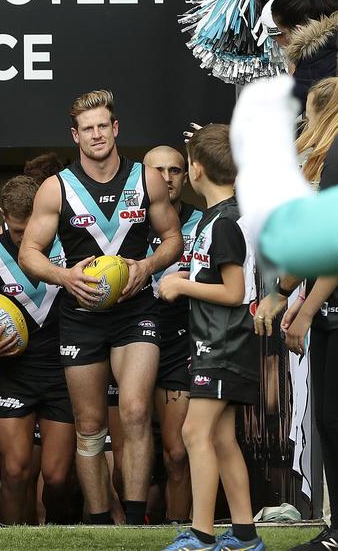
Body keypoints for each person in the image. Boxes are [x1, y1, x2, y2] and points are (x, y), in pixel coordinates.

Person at [19, 89, 183, 526]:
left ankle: (132, 520)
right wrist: (65, 277)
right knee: (90, 425)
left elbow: (173, 239)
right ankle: (97, 520)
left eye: (102, 126)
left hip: (136, 310)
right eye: (86, 128)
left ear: (115, 129)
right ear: (76, 135)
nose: (95, 135)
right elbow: (29, 254)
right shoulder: (57, 189)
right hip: (81, 314)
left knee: (133, 410)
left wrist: (147, 265)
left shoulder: (146, 179)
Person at [158, 124, 261, 551]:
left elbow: (234, 292)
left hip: (223, 343)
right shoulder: (218, 216)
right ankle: (244, 535)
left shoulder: (225, 222)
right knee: (219, 438)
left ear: (195, 170)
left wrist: (181, 286)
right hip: (214, 343)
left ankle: (201, 535)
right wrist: (191, 276)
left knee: (193, 434)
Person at [250, 77, 338, 551]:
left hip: (327, 309)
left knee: (332, 419)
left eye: (309, 110)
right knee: (326, 419)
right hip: (325, 308)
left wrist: (290, 299)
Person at [0, 175, 74, 525]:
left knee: (57, 479)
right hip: (15, 373)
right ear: (2, 216)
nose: (25, 239)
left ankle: (56, 540)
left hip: (63, 371)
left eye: (31, 229)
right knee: (14, 472)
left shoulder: (68, 245)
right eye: (16, 232)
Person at [144, 145, 202, 524]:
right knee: (126, 455)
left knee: (177, 453)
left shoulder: (203, 222)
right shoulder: (125, 223)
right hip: (127, 339)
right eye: (158, 170)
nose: (167, 178)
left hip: (181, 341)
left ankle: (179, 530)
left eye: (175, 170)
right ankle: (130, 532)